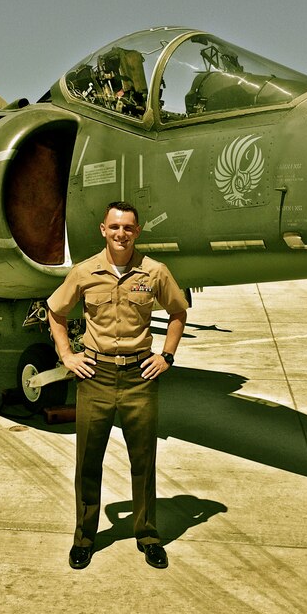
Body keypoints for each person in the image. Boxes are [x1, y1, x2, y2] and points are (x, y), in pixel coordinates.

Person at [47, 201, 188, 570]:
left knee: (143, 461)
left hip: (140, 377)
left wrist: (166, 356)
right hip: (96, 376)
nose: (121, 234)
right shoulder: (84, 272)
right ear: (103, 230)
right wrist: (67, 355)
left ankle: (147, 534)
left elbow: (178, 312)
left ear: (137, 232)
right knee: (88, 463)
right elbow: (56, 311)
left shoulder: (155, 272)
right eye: (114, 227)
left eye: (128, 228)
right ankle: (85, 537)